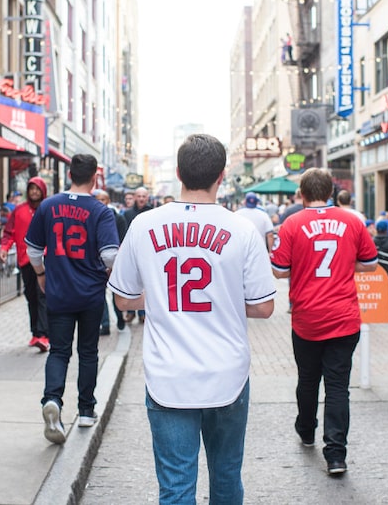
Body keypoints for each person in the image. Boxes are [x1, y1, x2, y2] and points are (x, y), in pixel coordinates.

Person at [109, 134, 276, 503]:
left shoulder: (144, 225)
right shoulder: (243, 229)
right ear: (222, 174)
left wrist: (159, 298)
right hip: (227, 374)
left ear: (179, 173)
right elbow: (264, 306)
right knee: (227, 478)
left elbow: (122, 300)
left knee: (176, 487)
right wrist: (225, 299)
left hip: (169, 375)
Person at [270, 167, 378, 477]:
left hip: (307, 317)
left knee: (307, 379)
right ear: (331, 192)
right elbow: (370, 265)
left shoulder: (291, 224)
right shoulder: (352, 221)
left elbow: (278, 270)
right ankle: (335, 454)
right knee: (337, 386)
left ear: (301, 194)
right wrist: (345, 263)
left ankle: (306, 429)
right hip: (344, 317)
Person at [26, 154, 119, 444]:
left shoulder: (48, 205)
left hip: (58, 291)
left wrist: (41, 275)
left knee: (59, 351)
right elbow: (110, 255)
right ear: (94, 178)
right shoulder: (101, 211)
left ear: (69, 174)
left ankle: (52, 400)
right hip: (90, 293)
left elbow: (32, 250)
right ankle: (86, 410)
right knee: (88, 352)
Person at [0, 176, 50, 352]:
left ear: (43, 191)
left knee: (43, 295)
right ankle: (36, 333)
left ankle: (44, 335)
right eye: (31, 188)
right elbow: (9, 232)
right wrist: (4, 248)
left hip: (45, 258)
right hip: (25, 259)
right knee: (31, 296)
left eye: (37, 188)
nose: (34, 192)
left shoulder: (49, 208)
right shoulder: (19, 210)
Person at [92, 189, 128, 334]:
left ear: (108, 201)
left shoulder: (118, 218)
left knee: (115, 293)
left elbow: (122, 240)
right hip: (97, 263)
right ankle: (105, 324)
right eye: (98, 200)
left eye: (103, 200)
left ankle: (120, 317)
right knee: (100, 295)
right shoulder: (91, 217)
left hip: (115, 262)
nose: (101, 202)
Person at [122, 186, 153, 324]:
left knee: (145, 283)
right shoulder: (127, 214)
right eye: (138, 196)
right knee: (130, 282)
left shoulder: (153, 213)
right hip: (131, 252)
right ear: (135, 197)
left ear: (147, 198)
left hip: (147, 252)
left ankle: (142, 312)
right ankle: (130, 311)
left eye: (143, 196)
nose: (141, 199)